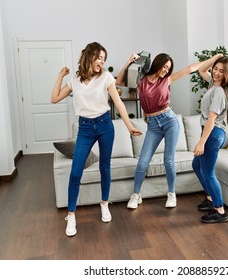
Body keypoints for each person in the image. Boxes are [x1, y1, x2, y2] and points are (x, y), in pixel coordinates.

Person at [51, 42, 141, 237]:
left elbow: (118, 104)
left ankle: (104, 203)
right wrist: (61, 75)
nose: (102, 61)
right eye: (99, 57)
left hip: (104, 125)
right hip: (85, 128)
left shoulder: (106, 77)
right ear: (89, 56)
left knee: (105, 167)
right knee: (75, 173)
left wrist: (130, 126)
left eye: (103, 58)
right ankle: (71, 215)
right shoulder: (74, 81)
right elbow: (55, 98)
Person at [116, 53, 207, 209]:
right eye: (164, 67)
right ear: (157, 64)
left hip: (170, 121)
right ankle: (136, 195)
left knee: (168, 161)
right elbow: (118, 81)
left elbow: (190, 68)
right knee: (142, 163)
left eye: (169, 68)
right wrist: (129, 61)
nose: (166, 70)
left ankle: (171, 194)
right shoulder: (141, 80)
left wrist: (213, 59)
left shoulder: (167, 80)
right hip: (153, 125)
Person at [192, 54, 228, 223]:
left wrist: (201, 142)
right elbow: (201, 69)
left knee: (208, 172)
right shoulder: (214, 84)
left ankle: (219, 211)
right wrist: (216, 58)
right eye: (216, 69)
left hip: (213, 133)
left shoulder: (219, 92)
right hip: (212, 132)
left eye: (221, 71)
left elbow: (211, 119)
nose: (217, 73)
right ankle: (211, 199)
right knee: (196, 165)